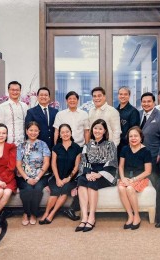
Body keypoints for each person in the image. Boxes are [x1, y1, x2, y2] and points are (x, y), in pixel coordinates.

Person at [75, 119, 118, 232]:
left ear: (104, 131)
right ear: (92, 130)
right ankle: (84, 217)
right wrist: (88, 173)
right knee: (81, 181)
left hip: (105, 174)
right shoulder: (87, 145)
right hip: (90, 171)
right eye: (95, 128)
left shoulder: (110, 144)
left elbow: (112, 162)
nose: (97, 131)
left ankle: (92, 217)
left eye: (100, 129)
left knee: (92, 182)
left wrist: (99, 174)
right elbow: (84, 161)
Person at [53, 91, 89, 221]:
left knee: (80, 176)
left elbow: (86, 132)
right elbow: (57, 131)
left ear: (78, 100)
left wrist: (86, 147)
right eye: (70, 99)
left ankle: (72, 207)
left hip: (78, 148)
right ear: (66, 101)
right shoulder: (60, 114)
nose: (72, 101)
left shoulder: (84, 114)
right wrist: (56, 147)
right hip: (63, 148)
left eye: (74, 98)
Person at [40, 124, 82, 224]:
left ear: (71, 132)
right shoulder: (56, 148)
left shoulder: (77, 148)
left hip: (71, 178)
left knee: (64, 191)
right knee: (55, 192)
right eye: (62, 132)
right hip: (57, 176)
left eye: (67, 131)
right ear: (59, 135)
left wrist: (68, 178)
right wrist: (58, 179)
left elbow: (77, 166)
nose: (65, 134)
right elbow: (53, 164)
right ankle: (46, 213)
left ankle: (52, 213)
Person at [16, 121, 51, 225]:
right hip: (23, 176)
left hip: (41, 176)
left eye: (36, 130)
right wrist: (27, 178)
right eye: (31, 130)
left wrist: (37, 177)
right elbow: (18, 165)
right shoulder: (21, 146)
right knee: (27, 189)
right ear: (26, 131)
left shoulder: (43, 144)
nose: (33, 132)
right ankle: (26, 213)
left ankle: (34, 214)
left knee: (37, 189)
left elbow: (46, 163)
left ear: (39, 132)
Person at [118, 126, 152, 230]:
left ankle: (137, 216)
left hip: (140, 178)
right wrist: (123, 178)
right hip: (126, 177)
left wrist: (133, 180)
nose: (133, 138)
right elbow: (121, 166)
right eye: (131, 136)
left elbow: (148, 171)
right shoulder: (125, 149)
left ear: (141, 137)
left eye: (136, 136)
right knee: (121, 188)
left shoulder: (146, 151)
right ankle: (130, 215)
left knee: (129, 188)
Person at [139, 92, 160, 186]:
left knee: (154, 181)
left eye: (149, 101)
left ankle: (158, 201)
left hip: (154, 155)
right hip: (140, 154)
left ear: (154, 103)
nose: (146, 104)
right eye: (144, 102)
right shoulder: (139, 113)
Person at [0, 81, 28, 146]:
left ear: (20, 91)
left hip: (23, 143)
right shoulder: (2, 107)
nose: (15, 92)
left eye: (17, 90)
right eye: (12, 90)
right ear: (8, 90)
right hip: (8, 143)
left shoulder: (25, 106)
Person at [116, 86, 140, 156]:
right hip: (116, 145)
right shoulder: (115, 111)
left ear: (129, 96)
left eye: (125, 94)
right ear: (118, 96)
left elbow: (134, 130)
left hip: (127, 146)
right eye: (120, 94)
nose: (123, 96)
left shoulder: (133, 111)